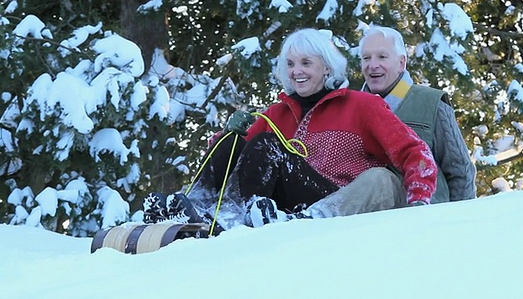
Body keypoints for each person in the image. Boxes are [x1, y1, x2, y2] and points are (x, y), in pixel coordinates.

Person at [143, 28, 438, 232]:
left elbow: (414, 151)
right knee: (233, 142)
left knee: (267, 145)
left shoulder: (361, 105)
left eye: (307, 63)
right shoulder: (277, 113)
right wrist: (222, 140)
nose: (297, 71)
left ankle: (238, 219)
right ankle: (193, 207)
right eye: (291, 64)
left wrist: (419, 200)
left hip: (333, 200)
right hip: (281, 206)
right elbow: (236, 160)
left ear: (327, 67)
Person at [357, 24, 476, 203]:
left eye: (382, 57)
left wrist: (461, 222)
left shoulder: (431, 103)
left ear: (401, 62)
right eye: (366, 58)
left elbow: (460, 171)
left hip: (425, 220)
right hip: (367, 223)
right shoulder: (350, 108)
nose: (373, 65)